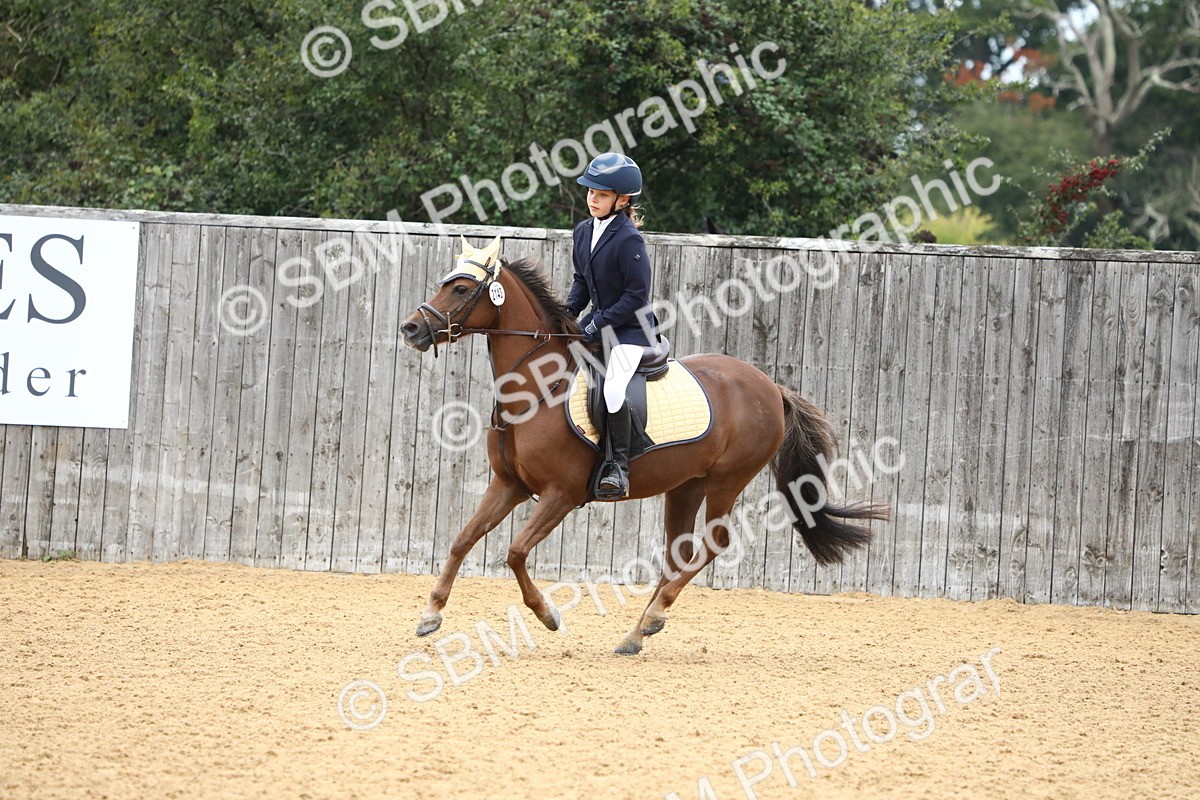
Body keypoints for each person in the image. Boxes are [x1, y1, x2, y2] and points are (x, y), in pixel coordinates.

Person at [565, 152, 658, 500]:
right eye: (590, 192)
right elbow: (581, 283)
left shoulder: (628, 238)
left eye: (601, 195)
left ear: (622, 200)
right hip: (599, 325)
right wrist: (565, 315)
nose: (593, 199)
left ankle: (618, 465)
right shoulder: (583, 231)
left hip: (631, 331)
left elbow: (636, 295)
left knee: (613, 389)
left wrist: (596, 324)